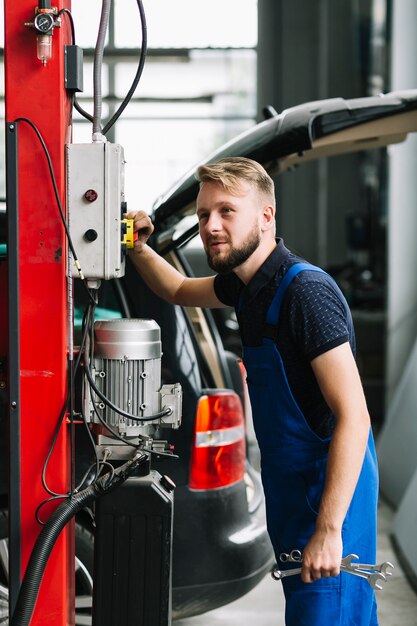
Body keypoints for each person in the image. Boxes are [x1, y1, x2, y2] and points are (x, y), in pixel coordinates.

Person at [127, 157, 379, 626]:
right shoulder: (246, 288)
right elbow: (179, 287)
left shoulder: (305, 294)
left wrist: (328, 530)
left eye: (227, 211)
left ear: (266, 216)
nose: (211, 226)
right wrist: (137, 247)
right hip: (293, 494)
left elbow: (355, 416)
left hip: (329, 500)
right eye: (204, 215)